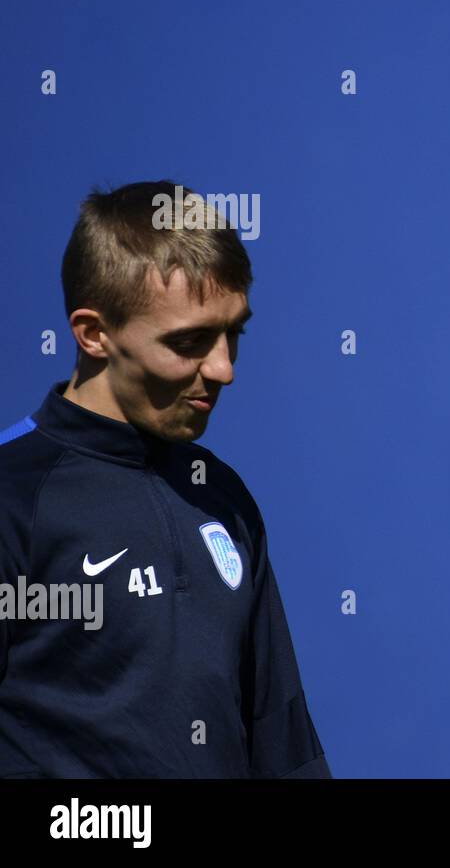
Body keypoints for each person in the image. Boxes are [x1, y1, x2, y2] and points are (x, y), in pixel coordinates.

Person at [0, 181, 330, 778]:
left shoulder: (224, 500)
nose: (224, 368)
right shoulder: (12, 497)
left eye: (235, 334)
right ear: (93, 333)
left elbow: (284, 747)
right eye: (190, 342)